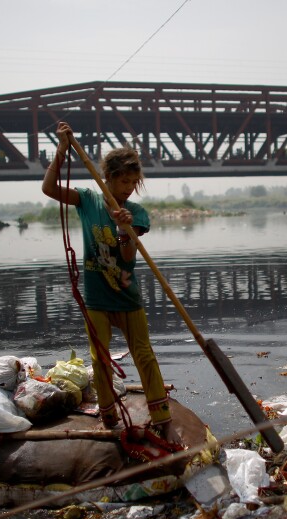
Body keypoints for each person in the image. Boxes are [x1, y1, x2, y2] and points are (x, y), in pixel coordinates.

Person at [42, 121, 181, 445]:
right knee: (99, 360)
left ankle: (161, 416)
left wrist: (124, 231)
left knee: (144, 354)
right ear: (108, 177)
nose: (129, 187)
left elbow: (129, 257)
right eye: (123, 181)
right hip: (96, 299)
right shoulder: (88, 200)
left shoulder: (136, 213)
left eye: (134, 182)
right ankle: (108, 418)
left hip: (127, 298)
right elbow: (49, 189)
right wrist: (62, 152)